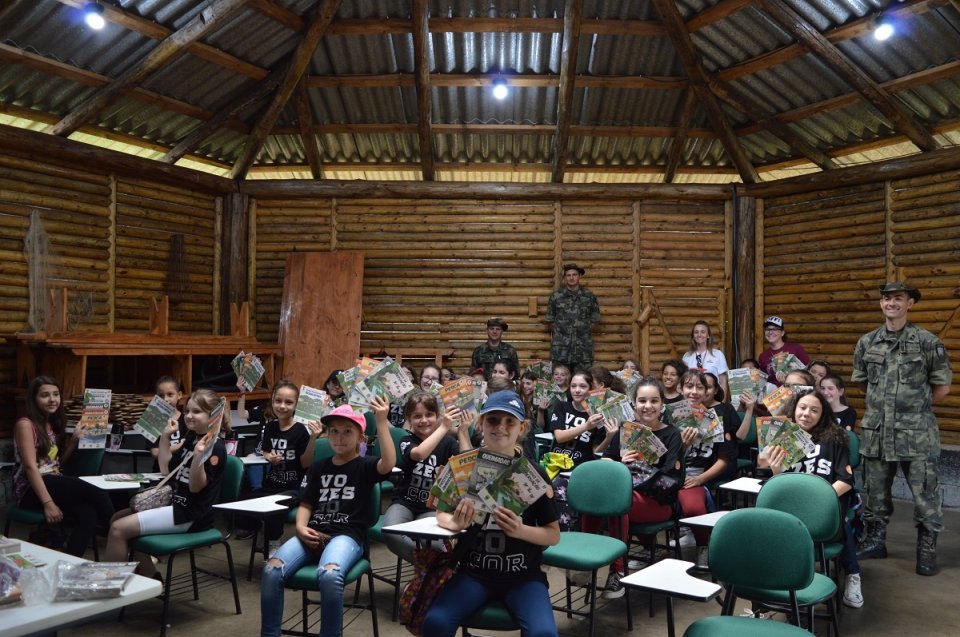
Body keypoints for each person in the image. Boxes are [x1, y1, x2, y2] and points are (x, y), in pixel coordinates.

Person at [422, 391, 560, 637]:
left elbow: (553, 535)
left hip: (524, 576)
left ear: (522, 427)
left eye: (510, 422)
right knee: (435, 622)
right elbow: (441, 515)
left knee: (544, 634)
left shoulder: (533, 473)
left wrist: (520, 530)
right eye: (493, 420)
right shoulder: (464, 466)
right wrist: (454, 522)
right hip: (473, 573)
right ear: (480, 424)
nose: (501, 428)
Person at [260, 397, 396, 637]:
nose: (340, 437)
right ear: (327, 435)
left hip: (347, 536)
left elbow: (389, 463)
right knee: (271, 570)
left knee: (330, 575)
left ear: (360, 438)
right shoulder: (319, 467)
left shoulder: (365, 466)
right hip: (312, 533)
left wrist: (382, 423)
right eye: (334, 431)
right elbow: (306, 503)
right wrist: (300, 528)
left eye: (347, 432)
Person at [851, 282, 952, 576]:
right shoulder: (867, 342)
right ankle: (875, 541)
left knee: (925, 496)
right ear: (881, 304)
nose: (891, 303)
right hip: (878, 430)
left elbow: (942, 387)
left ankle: (926, 550)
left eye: (898, 298)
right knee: (875, 492)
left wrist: (914, 408)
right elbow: (863, 382)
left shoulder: (927, 342)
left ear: (911, 303)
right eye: (886, 299)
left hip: (916, 433)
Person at [105, 388, 229, 576]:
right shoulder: (191, 437)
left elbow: (196, 488)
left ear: (213, 415)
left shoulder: (216, 447)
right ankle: (150, 576)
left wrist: (198, 458)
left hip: (190, 515)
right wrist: (164, 437)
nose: (188, 416)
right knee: (117, 518)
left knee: (118, 528)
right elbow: (165, 469)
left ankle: (111, 589)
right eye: (187, 411)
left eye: (196, 411)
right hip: (174, 504)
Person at [757, 389, 863, 608]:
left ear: (822, 414)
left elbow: (846, 480)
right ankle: (777, 581)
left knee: (842, 520)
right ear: (794, 409)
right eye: (802, 408)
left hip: (824, 505)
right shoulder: (782, 437)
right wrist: (776, 470)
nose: (806, 414)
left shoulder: (835, 437)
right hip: (791, 505)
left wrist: (819, 501)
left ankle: (853, 575)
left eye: (814, 410)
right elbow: (780, 486)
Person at [581, 378, 683, 599]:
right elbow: (606, 460)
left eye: (654, 400)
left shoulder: (673, 434)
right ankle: (585, 562)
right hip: (627, 494)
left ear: (662, 404)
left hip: (658, 502)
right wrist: (620, 465)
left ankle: (617, 571)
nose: (648, 406)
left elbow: (671, 480)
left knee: (618, 502)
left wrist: (641, 468)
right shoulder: (627, 429)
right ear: (634, 404)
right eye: (642, 400)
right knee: (595, 498)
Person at [13, 375, 114, 556]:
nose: (52, 399)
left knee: (88, 514)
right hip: (30, 490)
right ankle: (122, 534)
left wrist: (74, 442)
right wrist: (49, 504)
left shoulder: (50, 425)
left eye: (56, 394)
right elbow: (30, 467)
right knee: (95, 490)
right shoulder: (25, 425)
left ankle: (70, 563)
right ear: (34, 399)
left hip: (52, 482)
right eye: (45, 395)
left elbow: (57, 465)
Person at [236, 381, 322, 547]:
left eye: (288, 402)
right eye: (278, 401)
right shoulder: (270, 427)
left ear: (296, 405)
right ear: (272, 402)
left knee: (275, 505)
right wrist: (269, 457)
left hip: (295, 488)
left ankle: (273, 541)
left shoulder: (301, 431)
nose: (282, 406)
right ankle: (259, 528)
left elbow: (305, 464)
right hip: (271, 484)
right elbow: (265, 450)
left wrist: (313, 438)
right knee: (243, 503)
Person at [382, 392, 462, 562]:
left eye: (429, 415)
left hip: (432, 508)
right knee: (390, 533)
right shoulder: (406, 439)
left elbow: (463, 468)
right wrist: (443, 427)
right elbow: (418, 454)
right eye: (417, 416)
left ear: (437, 416)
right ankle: (428, 566)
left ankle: (431, 569)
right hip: (405, 503)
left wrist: (462, 431)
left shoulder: (449, 443)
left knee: (433, 541)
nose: (424, 420)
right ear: (409, 419)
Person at [675, 370, 738, 569]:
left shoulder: (713, 419)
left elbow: (724, 459)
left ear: (706, 392)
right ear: (680, 389)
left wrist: (701, 479)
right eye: (689, 386)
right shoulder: (668, 415)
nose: (694, 392)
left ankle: (703, 545)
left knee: (693, 506)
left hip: (696, 476)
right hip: (668, 475)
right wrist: (682, 446)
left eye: (699, 387)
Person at [545, 263, 600, 373]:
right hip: (561, 350)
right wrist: (562, 334)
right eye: (568, 275)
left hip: (582, 350)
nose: (571, 278)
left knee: (583, 379)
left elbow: (595, 320)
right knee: (559, 381)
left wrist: (583, 333)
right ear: (565, 278)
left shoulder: (589, 296)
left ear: (579, 276)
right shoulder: (556, 296)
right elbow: (550, 321)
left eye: (574, 275)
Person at [682, 321, 730, 399]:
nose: (699, 335)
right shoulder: (687, 356)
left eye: (703, 332)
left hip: (713, 398)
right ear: (693, 336)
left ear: (708, 335)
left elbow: (723, 381)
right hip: (694, 397)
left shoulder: (717, 355)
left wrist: (722, 403)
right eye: (696, 332)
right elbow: (684, 381)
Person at [758, 316, 811, 386]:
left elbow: (809, 372)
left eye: (775, 329)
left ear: (782, 333)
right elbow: (763, 381)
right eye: (767, 329)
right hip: (773, 394)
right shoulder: (763, 356)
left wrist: (788, 380)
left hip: (795, 391)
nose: (770, 332)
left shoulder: (796, 348)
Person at [149, 376, 187, 469]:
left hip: (182, 472)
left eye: (170, 394)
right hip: (161, 471)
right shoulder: (153, 420)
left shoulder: (187, 419)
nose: (165, 399)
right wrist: (183, 445)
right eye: (161, 396)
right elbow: (155, 453)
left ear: (179, 395)